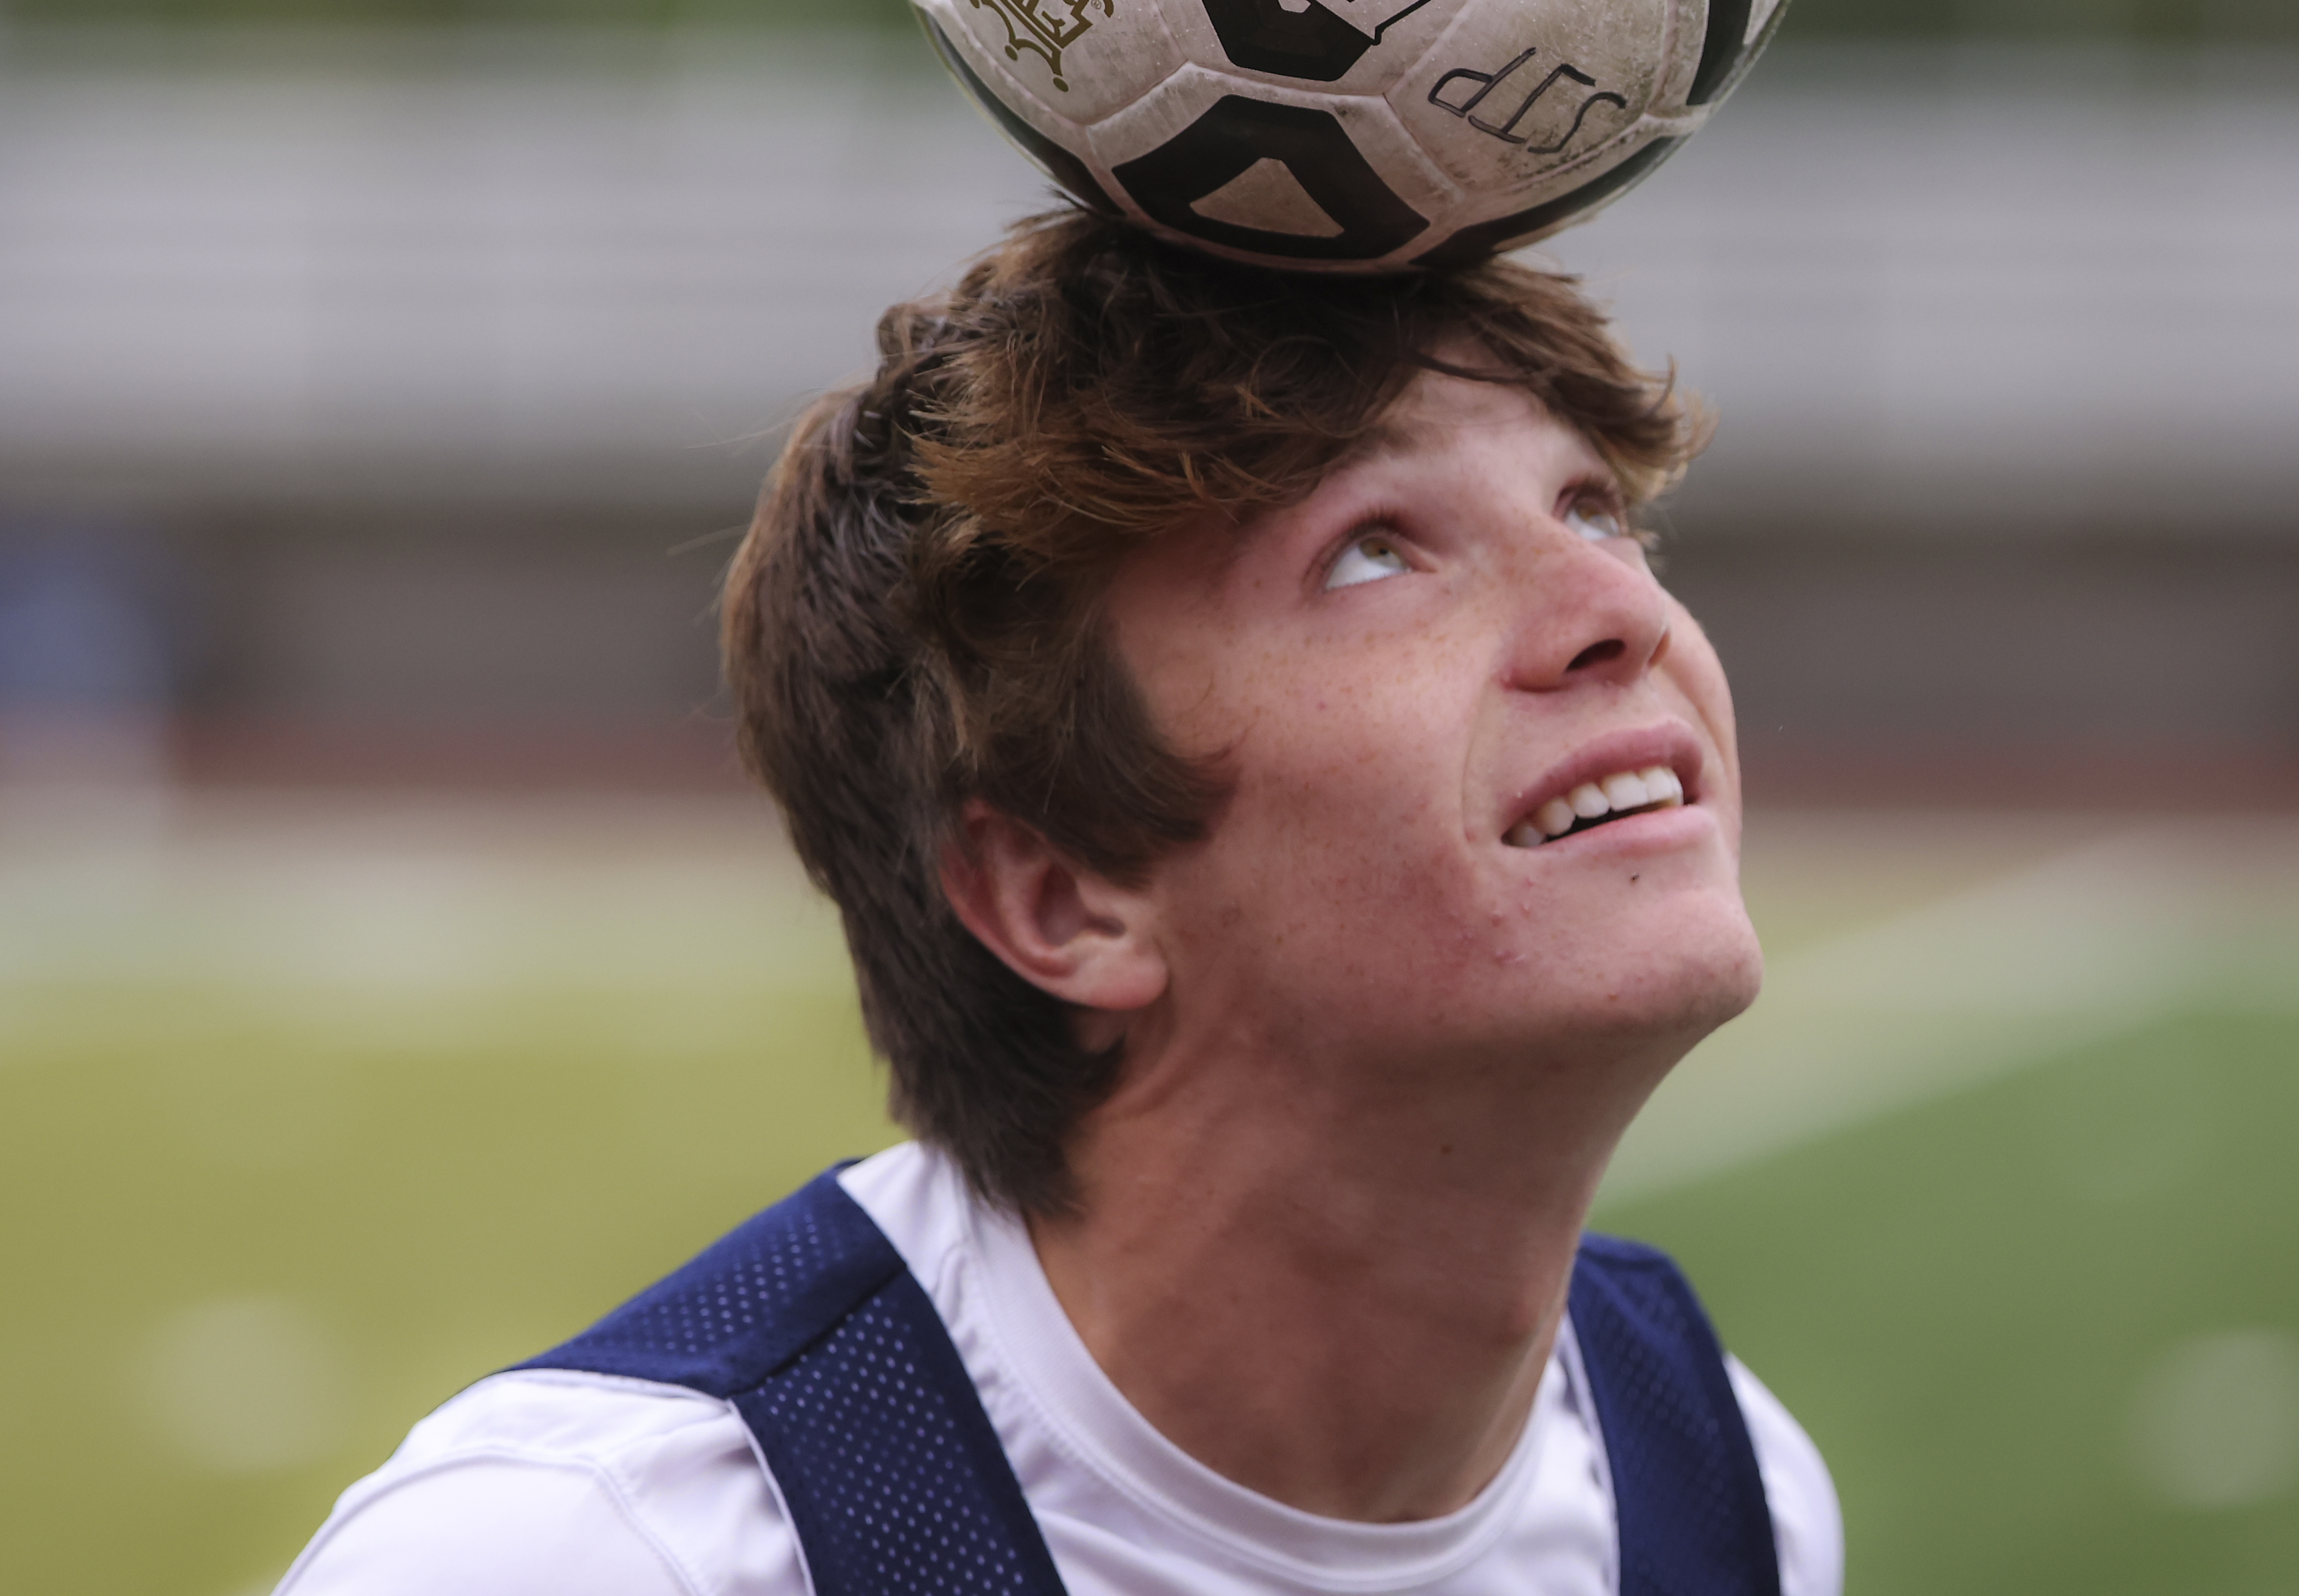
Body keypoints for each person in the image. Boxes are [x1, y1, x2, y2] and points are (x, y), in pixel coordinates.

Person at [278, 211, 1839, 1595]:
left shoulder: (1724, 1488)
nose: (1620, 613)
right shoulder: (610, 1558)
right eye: (1375, 554)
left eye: (1587, 508)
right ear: (1063, 892)